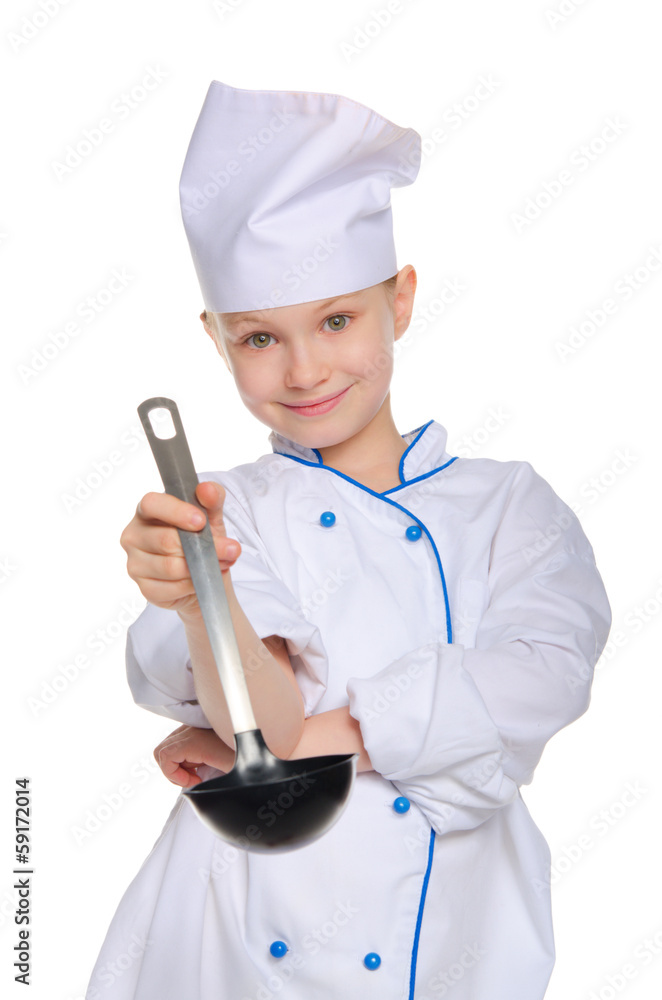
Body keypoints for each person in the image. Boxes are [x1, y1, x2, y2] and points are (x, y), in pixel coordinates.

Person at [85, 81, 611, 1000]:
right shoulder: (228, 508)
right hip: (238, 943)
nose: (304, 370)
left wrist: (306, 746)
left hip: (456, 938)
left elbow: (542, 677)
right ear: (215, 339)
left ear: (399, 300)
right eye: (258, 338)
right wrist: (197, 595)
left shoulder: (508, 508)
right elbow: (269, 719)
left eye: (337, 320)